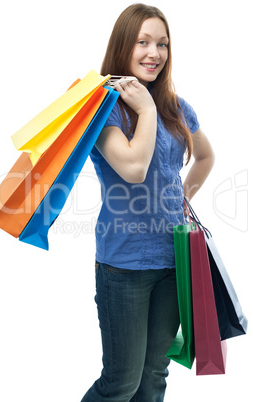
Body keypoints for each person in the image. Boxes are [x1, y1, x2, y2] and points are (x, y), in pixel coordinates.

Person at [81, 3, 215, 401]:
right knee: (121, 381)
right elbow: (134, 169)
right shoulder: (102, 110)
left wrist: (180, 201)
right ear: (123, 45)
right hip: (123, 266)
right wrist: (145, 108)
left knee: (154, 374)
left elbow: (206, 157)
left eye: (162, 43)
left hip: (174, 258)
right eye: (142, 42)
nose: (153, 53)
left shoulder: (177, 107)